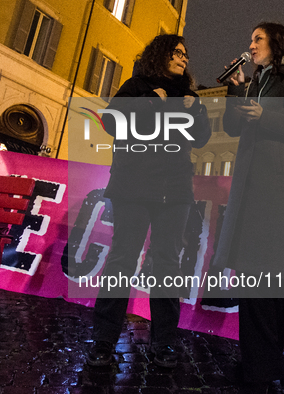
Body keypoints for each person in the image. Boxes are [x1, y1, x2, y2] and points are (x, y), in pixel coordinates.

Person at [86, 34, 211, 368]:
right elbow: (110, 122)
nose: (184, 58)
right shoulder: (136, 85)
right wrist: (146, 104)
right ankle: (103, 339)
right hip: (134, 185)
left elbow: (201, 138)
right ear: (161, 54)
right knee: (123, 260)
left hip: (176, 189)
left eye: (186, 54)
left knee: (168, 264)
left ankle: (165, 343)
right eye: (178, 52)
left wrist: (196, 110)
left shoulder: (189, 96)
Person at [214, 23, 284, 393]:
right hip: (252, 187)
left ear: (276, 43)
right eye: (250, 39)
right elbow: (233, 126)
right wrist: (234, 89)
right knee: (260, 277)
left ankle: (259, 369)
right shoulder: (256, 81)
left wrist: (266, 116)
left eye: (257, 39)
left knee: (259, 274)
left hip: (277, 190)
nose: (250, 44)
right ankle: (264, 363)